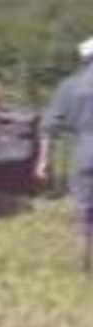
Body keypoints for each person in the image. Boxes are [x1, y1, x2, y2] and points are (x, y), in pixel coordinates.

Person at [36, 36, 93, 275]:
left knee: (85, 211)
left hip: (84, 153)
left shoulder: (69, 86)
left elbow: (49, 127)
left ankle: (85, 263)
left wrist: (44, 161)